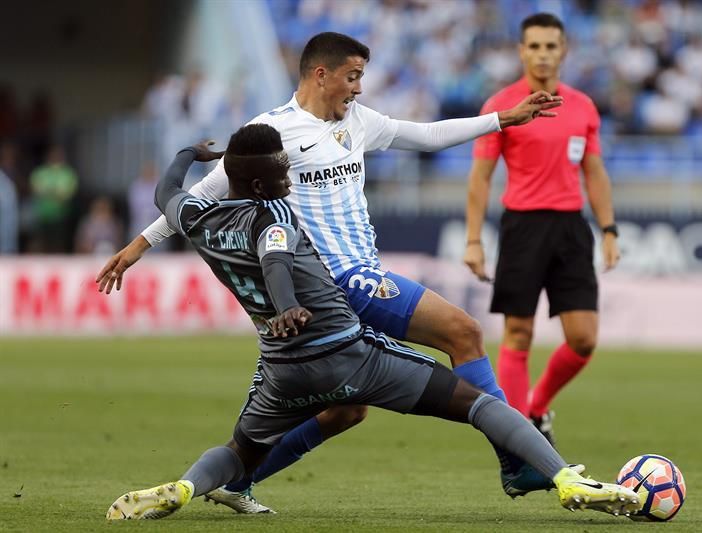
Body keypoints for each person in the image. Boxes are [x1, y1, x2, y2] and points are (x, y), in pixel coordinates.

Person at [96, 32, 564, 511]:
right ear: (322, 75)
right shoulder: (271, 130)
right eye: (352, 77)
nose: (359, 88)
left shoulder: (357, 121)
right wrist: (137, 245)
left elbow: (425, 135)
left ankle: (236, 480)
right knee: (463, 332)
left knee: (346, 411)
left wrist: (502, 119)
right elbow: (207, 192)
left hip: (354, 278)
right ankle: (518, 459)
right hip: (337, 279)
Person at [105, 125, 640, 521]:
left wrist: (186, 155)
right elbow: (273, 256)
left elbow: (165, 194)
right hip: (347, 354)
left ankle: (184, 487)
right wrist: (289, 302)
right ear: (265, 183)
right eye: (283, 172)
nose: (291, 178)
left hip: (281, 370)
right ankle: (566, 478)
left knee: (240, 452)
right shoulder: (275, 216)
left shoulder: (197, 217)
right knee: (478, 402)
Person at [463, 13, 620, 446]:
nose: (543, 54)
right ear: (521, 51)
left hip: (571, 228)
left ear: (564, 50)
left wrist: (609, 229)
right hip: (523, 227)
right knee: (518, 332)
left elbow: (594, 170)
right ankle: (520, 443)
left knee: (584, 339)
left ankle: (536, 406)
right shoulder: (502, 105)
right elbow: (480, 176)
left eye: (551, 46)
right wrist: (474, 240)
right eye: (534, 46)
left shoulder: (583, 106)